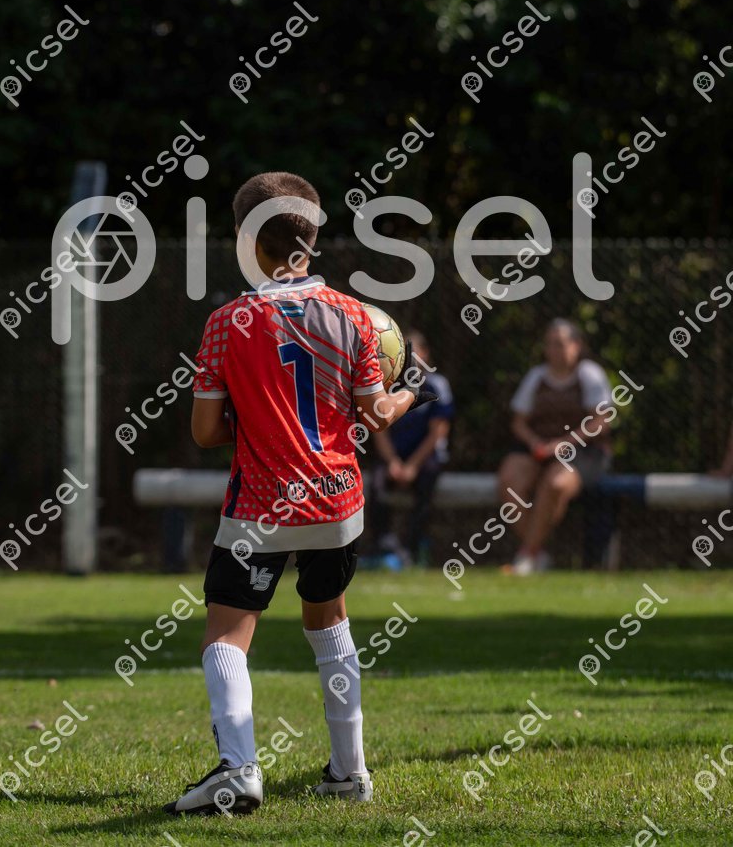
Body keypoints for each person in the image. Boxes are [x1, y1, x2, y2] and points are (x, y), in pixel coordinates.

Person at [164, 171, 435, 817]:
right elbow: (375, 415)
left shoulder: (227, 322)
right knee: (330, 623)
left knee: (226, 637)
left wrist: (257, 419)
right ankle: (350, 772)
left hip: (261, 505)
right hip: (337, 503)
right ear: (312, 239)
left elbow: (205, 432)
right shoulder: (354, 315)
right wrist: (409, 391)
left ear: (247, 238)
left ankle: (238, 770)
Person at [497, 318, 613, 576]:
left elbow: (601, 422)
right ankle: (537, 553)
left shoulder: (589, 374)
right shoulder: (537, 376)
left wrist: (564, 443)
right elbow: (518, 422)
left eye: (560, 343)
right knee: (509, 479)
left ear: (577, 345)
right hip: (539, 448)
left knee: (556, 484)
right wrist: (534, 443)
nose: (554, 350)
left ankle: (527, 555)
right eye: (549, 344)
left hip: (583, 450)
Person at [369, 330, 454, 565]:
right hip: (394, 457)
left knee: (426, 483)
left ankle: (413, 549)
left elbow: (438, 432)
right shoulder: (388, 385)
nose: (409, 358)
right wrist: (393, 462)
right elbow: (379, 428)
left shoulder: (436, 385)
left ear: (425, 354)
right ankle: (384, 547)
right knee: (376, 483)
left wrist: (413, 466)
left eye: (414, 352)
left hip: (425, 458)